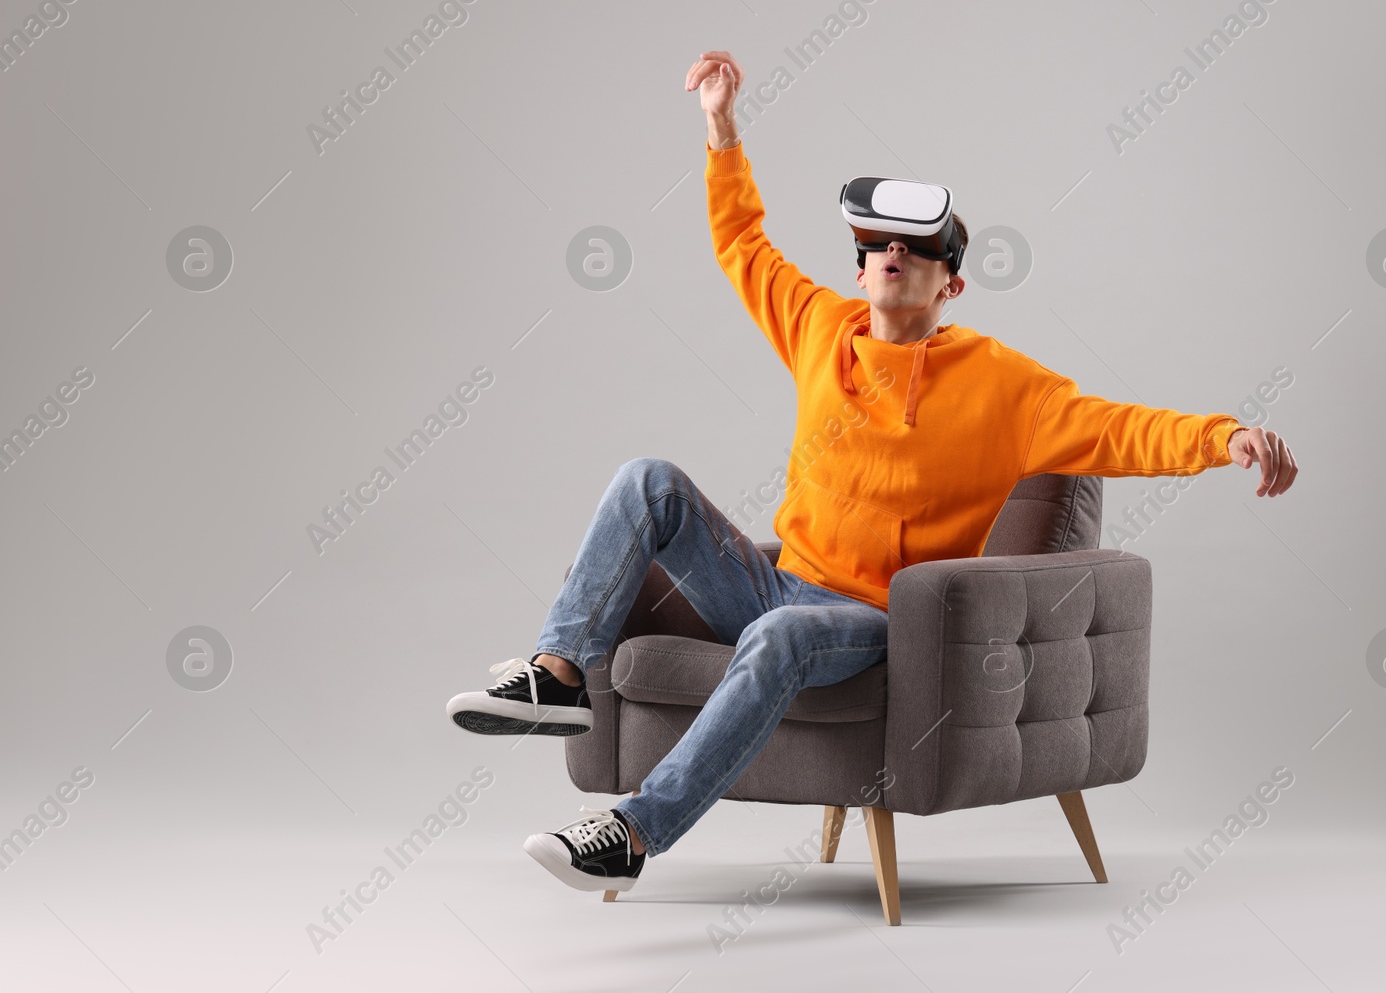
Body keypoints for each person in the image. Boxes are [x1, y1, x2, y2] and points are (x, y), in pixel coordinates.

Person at [446, 49, 1299, 895]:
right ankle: (559, 674)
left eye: (914, 247)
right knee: (647, 480)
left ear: (950, 283)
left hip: (874, 621)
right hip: (776, 581)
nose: (891, 253)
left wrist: (1227, 437)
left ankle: (634, 830)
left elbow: (1124, 429)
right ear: (860, 269)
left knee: (780, 638)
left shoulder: (1006, 387)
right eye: (877, 244)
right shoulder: (821, 326)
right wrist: (721, 128)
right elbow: (743, 244)